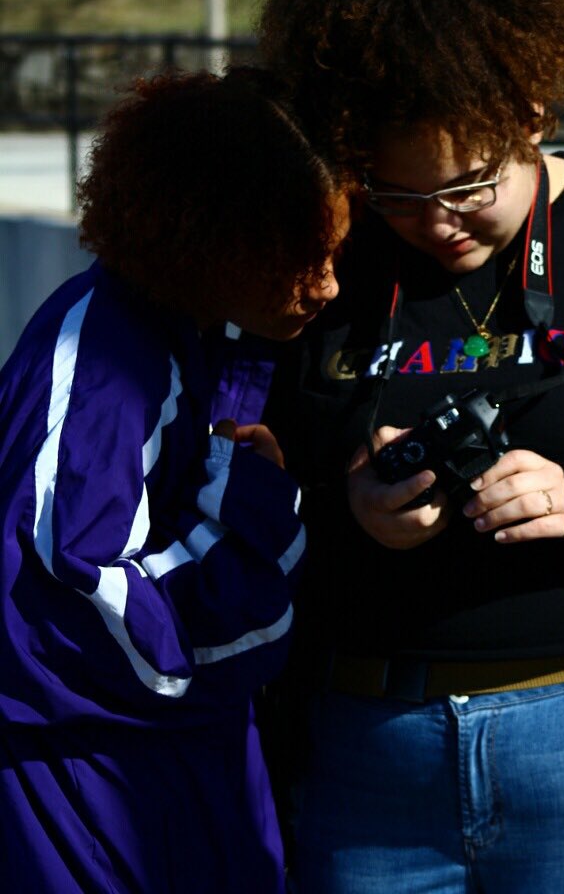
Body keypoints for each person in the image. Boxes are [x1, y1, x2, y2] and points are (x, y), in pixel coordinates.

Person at [257, 0, 564, 891]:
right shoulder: (328, 257)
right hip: (367, 753)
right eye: (392, 192)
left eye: (463, 187)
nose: (432, 222)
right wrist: (343, 497)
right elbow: (246, 479)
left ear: (528, 108)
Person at [0, 66, 349, 894]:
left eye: (335, 252)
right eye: (301, 257)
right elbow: (59, 624)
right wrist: (249, 509)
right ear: (215, 239)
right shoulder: (107, 365)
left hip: (165, 774)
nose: (327, 285)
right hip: (95, 801)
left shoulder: (183, 328)